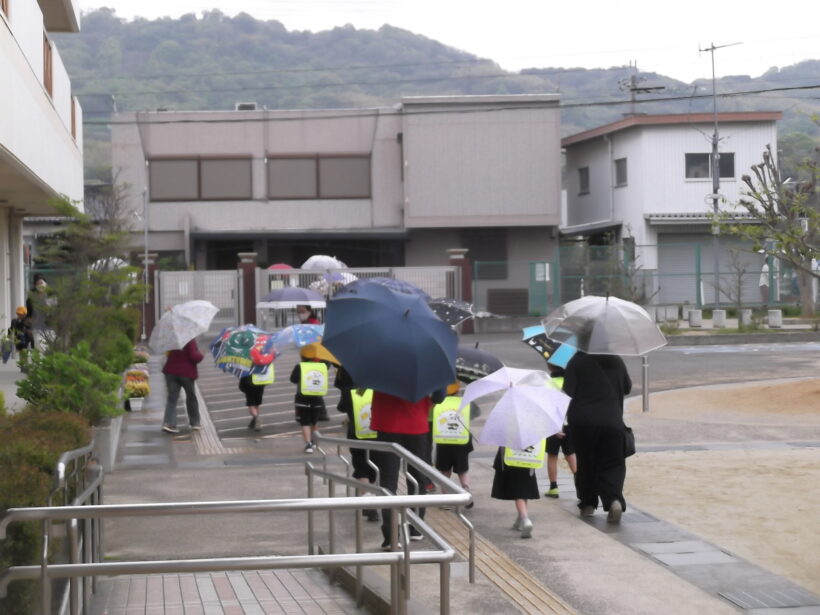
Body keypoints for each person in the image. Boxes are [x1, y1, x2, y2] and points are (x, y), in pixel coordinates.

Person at [371, 387, 445, 550]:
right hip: (416, 421)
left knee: (388, 481)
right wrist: (428, 404)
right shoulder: (428, 361)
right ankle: (416, 527)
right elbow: (440, 395)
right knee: (418, 477)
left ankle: (391, 536)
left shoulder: (380, 362)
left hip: (387, 423)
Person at [562, 351, 632, 523]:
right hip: (612, 420)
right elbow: (627, 387)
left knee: (586, 462)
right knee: (613, 463)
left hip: (583, 423)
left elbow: (567, 392)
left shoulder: (576, 361)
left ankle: (588, 503)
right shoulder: (616, 360)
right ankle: (614, 500)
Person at [335, 366, 379, 521]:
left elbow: (341, 407)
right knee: (376, 465)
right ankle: (373, 495)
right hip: (379, 435)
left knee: (361, 466)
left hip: (357, 433)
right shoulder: (380, 387)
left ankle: (368, 499)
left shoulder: (349, 389)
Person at [431, 384, 474, 509]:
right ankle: (466, 489)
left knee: (445, 471)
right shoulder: (463, 402)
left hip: (444, 441)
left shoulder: (438, 403)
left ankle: (446, 499)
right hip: (461, 441)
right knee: (462, 469)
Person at [491, 440, 544, 539]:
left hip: (511, 457)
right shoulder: (533, 426)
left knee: (518, 492)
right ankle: (520, 519)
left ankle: (524, 518)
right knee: (524, 487)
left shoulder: (509, 425)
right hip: (529, 457)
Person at [544, 365, 577, 498]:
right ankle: (580, 484)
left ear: (552, 370)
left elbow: (546, 406)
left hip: (553, 424)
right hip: (569, 424)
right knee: (571, 455)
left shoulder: (548, 384)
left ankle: (554, 487)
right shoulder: (571, 383)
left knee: (552, 456)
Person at [290, 350, 330, 454]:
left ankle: (308, 444)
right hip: (317, 397)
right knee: (314, 421)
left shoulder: (300, 366)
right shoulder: (322, 366)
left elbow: (293, 379)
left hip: (302, 397)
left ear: (302, 356)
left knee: (305, 422)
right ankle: (315, 442)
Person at [162, 338, 204, 434]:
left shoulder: (171, 338)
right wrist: (201, 355)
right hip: (186, 373)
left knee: (172, 399)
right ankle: (195, 423)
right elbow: (194, 357)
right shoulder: (189, 339)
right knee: (191, 397)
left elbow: (167, 353)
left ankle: (169, 423)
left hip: (171, 371)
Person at [239, 364, 273, 431]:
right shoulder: (262, 364)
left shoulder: (246, 365)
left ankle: (256, 417)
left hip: (249, 385)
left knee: (251, 404)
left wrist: (242, 387)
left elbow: (242, 381)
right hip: (260, 384)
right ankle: (255, 420)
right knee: (257, 404)